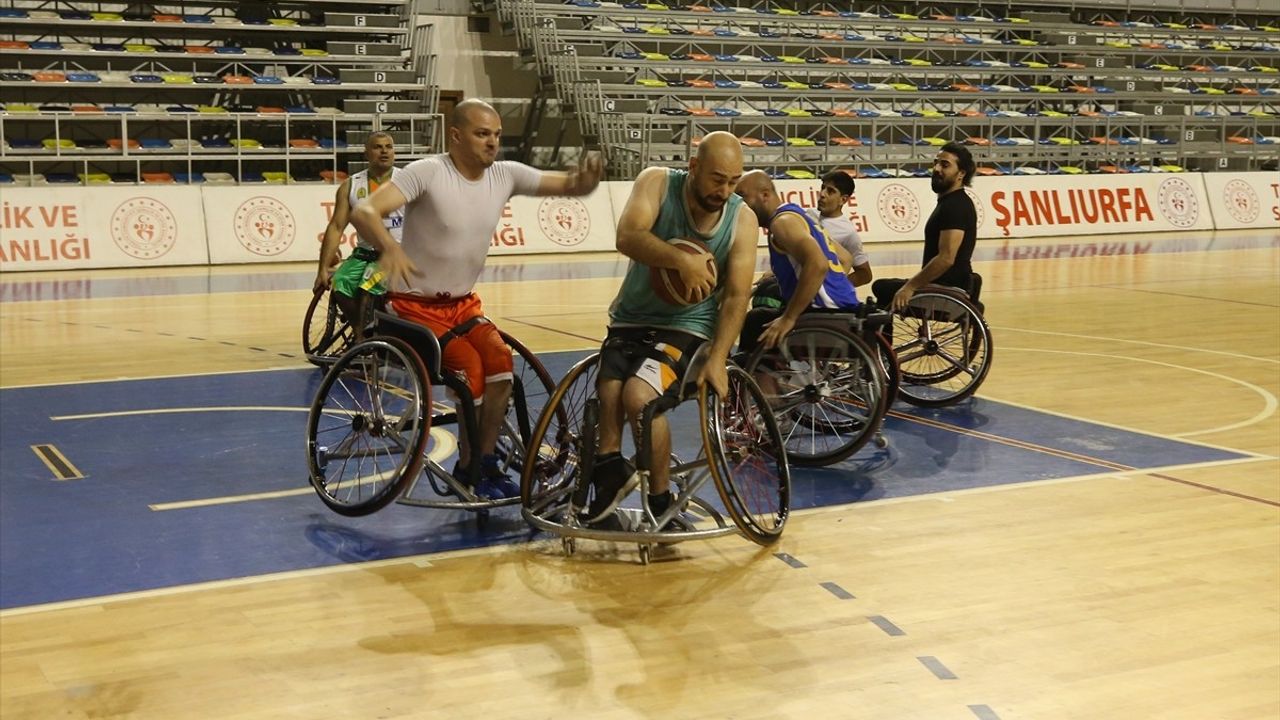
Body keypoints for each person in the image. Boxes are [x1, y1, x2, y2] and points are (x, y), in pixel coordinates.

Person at [350, 99, 604, 500]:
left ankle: (483, 460)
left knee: (502, 366)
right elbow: (364, 210)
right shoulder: (428, 172)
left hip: (464, 306)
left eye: (497, 135)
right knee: (469, 368)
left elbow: (566, 183)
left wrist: (585, 182)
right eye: (482, 134)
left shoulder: (505, 175)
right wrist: (387, 247)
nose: (492, 142)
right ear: (455, 136)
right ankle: (468, 464)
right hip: (413, 309)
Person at [584, 131, 760, 525]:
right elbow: (627, 236)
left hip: (688, 328)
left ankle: (661, 500)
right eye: (717, 179)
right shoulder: (658, 182)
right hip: (631, 317)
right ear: (694, 167)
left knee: (639, 396)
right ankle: (611, 473)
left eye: (734, 180)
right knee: (608, 391)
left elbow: (736, 296)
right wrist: (680, 261)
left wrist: (718, 358)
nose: (725, 190)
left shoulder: (741, 218)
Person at [733, 170, 861, 357]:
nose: (738, 203)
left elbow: (818, 264)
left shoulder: (782, 222)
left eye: (742, 196)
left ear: (765, 195)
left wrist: (789, 318)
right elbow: (845, 259)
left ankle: (756, 382)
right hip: (845, 309)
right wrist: (834, 287)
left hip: (823, 316)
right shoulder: (799, 215)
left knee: (755, 320)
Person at [872, 143, 978, 311]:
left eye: (945, 165)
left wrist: (910, 287)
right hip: (943, 286)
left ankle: (880, 336)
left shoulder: (955, 206)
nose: (936, 169)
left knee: (881, 288)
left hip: (946, 290)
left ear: (961, 174)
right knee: (887, 287)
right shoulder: (951, 202)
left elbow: (946, 258)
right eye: (936, 163)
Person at [313, 132, 402, 322]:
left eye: (389, 147)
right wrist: (322, 269)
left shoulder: (408, 181)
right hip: (364, 254)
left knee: (368, 286)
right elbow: (336, 227)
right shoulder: (351, 185)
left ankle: (367, 338)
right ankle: (362, 333)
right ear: (366, 153)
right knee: (340, 284)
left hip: (396, 254)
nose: (384, 151)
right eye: (378, 147)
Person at [813, 170, 873, 289]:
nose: (823, 194)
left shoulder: (848, 232)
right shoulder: (809, 215)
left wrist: (834, 287)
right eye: (823, 188)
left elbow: (865, 274)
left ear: (843, 200)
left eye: (830, 191)